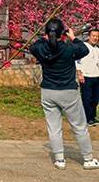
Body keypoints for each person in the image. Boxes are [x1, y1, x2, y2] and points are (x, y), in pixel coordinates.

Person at [29, 18, 99, 170]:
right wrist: (73, 37)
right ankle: (88, 159)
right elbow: (84, 49)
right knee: (79, 126)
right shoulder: (69, 48)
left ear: (47, 34)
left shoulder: (41, 49)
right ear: (63, 34)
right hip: (68, 92)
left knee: (53, 127)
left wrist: (47, 36)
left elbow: (34, 45)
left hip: (48, 91)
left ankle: (59, 159)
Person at [76, 27, 99, 126]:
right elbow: (77, 61)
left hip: (96, 76)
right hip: (86, 76)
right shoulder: (83, 47)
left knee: (95, 99)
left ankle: (93, 117)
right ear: (89, 36)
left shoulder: (97, 49)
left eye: (97, 36)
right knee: (87, 98)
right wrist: (79, 74)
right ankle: (87, 118)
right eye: (93, 36)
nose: (95, 38)